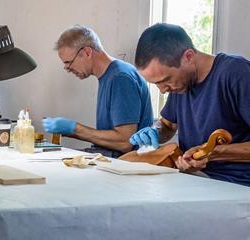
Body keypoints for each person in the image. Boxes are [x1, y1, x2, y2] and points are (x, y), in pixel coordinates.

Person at [129, 23, 250, 186]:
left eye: (165, 80)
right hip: (197, 178)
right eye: (156, 84)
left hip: (237, 185)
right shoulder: (180, 85)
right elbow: (168, 125)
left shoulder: (236, 73)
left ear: (188, 56)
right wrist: (155, 131)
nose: (163, 90)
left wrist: (212, 153)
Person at [42, 24, 153, 157]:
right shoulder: (109, 75)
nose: (68, 69)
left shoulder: (120, 78)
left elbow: (125, 142)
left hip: (125, 165)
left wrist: (76, 128)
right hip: (107, 158)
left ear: (87, 52)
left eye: (69, 62)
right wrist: (69, 131)